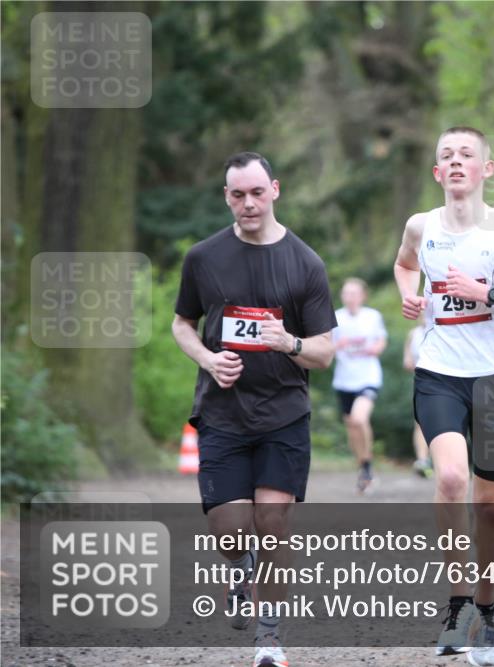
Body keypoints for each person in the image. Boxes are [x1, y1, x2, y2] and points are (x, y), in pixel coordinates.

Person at [393, 126, 494, 666]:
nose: (456, 161)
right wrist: (408, 296)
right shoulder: (420, 226)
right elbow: (404, 265)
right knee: (450, 478)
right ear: (438, 173)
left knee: (491, 506)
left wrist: (487, 292)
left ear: (486, 169)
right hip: (439, 371)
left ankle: (486, 612)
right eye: (447, 156)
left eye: (467, 154)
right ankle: (458, 604)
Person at [172, 151, 336, 667]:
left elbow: (325, 351)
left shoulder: (305, 263)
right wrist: (206, 357)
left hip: (284, 415)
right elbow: (182, 324)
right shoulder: (203, 257)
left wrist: (288, 342)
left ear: (275, 190)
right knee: (229, 529)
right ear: (226, 197)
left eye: (256, 193)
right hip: (221, 415)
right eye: (238, 194)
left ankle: (269, 639)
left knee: (273, 523)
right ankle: (239, 570)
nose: (248, 203)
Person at [331, 277, 387, 493]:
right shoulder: (335, 318)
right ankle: (364, 467)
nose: (350, 298)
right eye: (346, 293)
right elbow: (325, 348)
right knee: (352, 426)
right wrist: (338, 345)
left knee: (359, 418)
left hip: (368, 378)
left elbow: (382, 340)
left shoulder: (373, 316)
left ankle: (367, 465)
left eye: (354, 293)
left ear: (363, 295)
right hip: (344, 380)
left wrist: (376, 348)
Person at [402, 322, 433, 477]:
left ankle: (439, 461)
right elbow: (407, 362)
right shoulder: (413, 334)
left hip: (445, 381)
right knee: (420, 422)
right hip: (421, 381)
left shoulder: (441, 329)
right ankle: (423, 460)